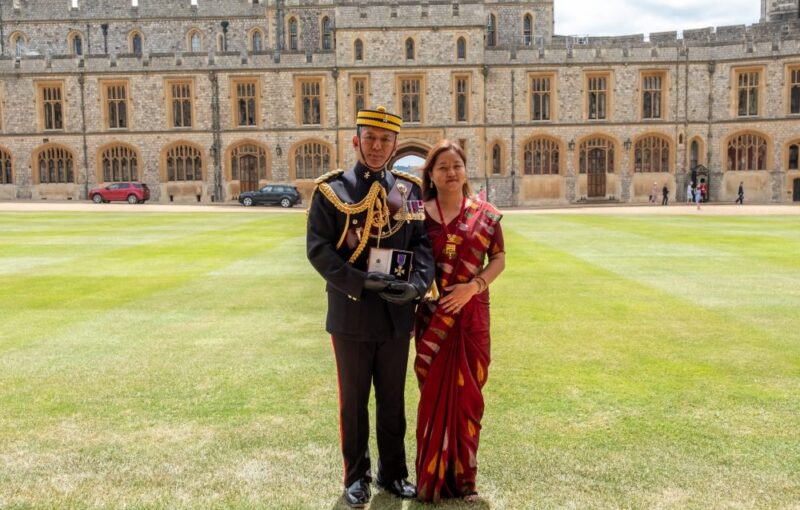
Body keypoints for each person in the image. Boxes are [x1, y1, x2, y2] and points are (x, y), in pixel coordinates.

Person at [306, 107, 435, 508]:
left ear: (395, 145)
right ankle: (356, 476)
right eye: (370, 138)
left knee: (393, 400)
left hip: (397, 315)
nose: (377, 147)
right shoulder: (333, 190)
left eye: (385, 140)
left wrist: (416, 286)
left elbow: (422, 246)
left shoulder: (409, 191)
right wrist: (360, 283)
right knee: (355, 402)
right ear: (356, 141)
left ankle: (393, 473)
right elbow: (319, 250)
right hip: (352, 313)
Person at [413, 140, 506, 504]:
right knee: (433, 396)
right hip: (432, 318)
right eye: (443, 167)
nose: (451, 173)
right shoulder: (417, 215)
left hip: (471, 317)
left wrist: (474, 286)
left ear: (465, 171)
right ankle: (431, 478)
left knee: (468, 400)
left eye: (457, 166)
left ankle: (466, 481)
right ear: (431, 175)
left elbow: (499, 258)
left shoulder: (485, 214)